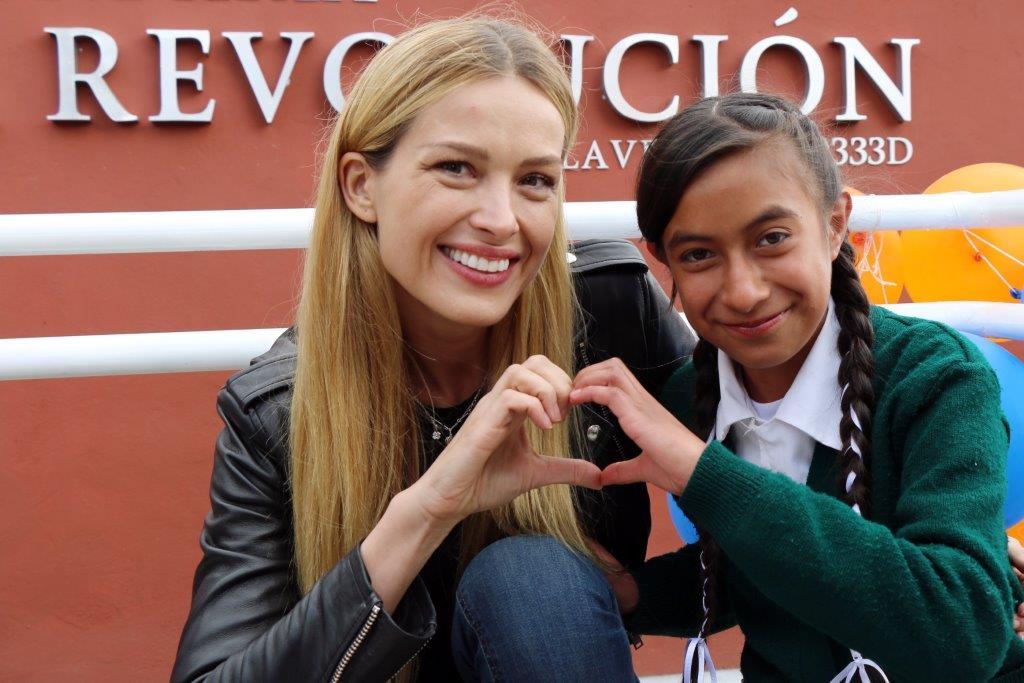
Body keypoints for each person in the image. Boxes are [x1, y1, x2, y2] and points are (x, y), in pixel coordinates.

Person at [170, 16, 692, 683]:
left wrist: (643, 590)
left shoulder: (609, 311)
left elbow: (775, 527)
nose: (501, 220)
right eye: (456, 168)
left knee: (531, 577)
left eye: (535, 179)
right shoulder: (278, 409)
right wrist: (430, 507)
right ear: (361, 186)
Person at [565, 92, 1024, 681]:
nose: (744, 291)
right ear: (663, 261)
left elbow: (963, 634)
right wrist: (632, 592)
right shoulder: (688, 399)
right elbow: (753, 574)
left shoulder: (935, 377)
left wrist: (705, 475)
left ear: (834, 226)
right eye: (699, 254)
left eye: (771, 238)